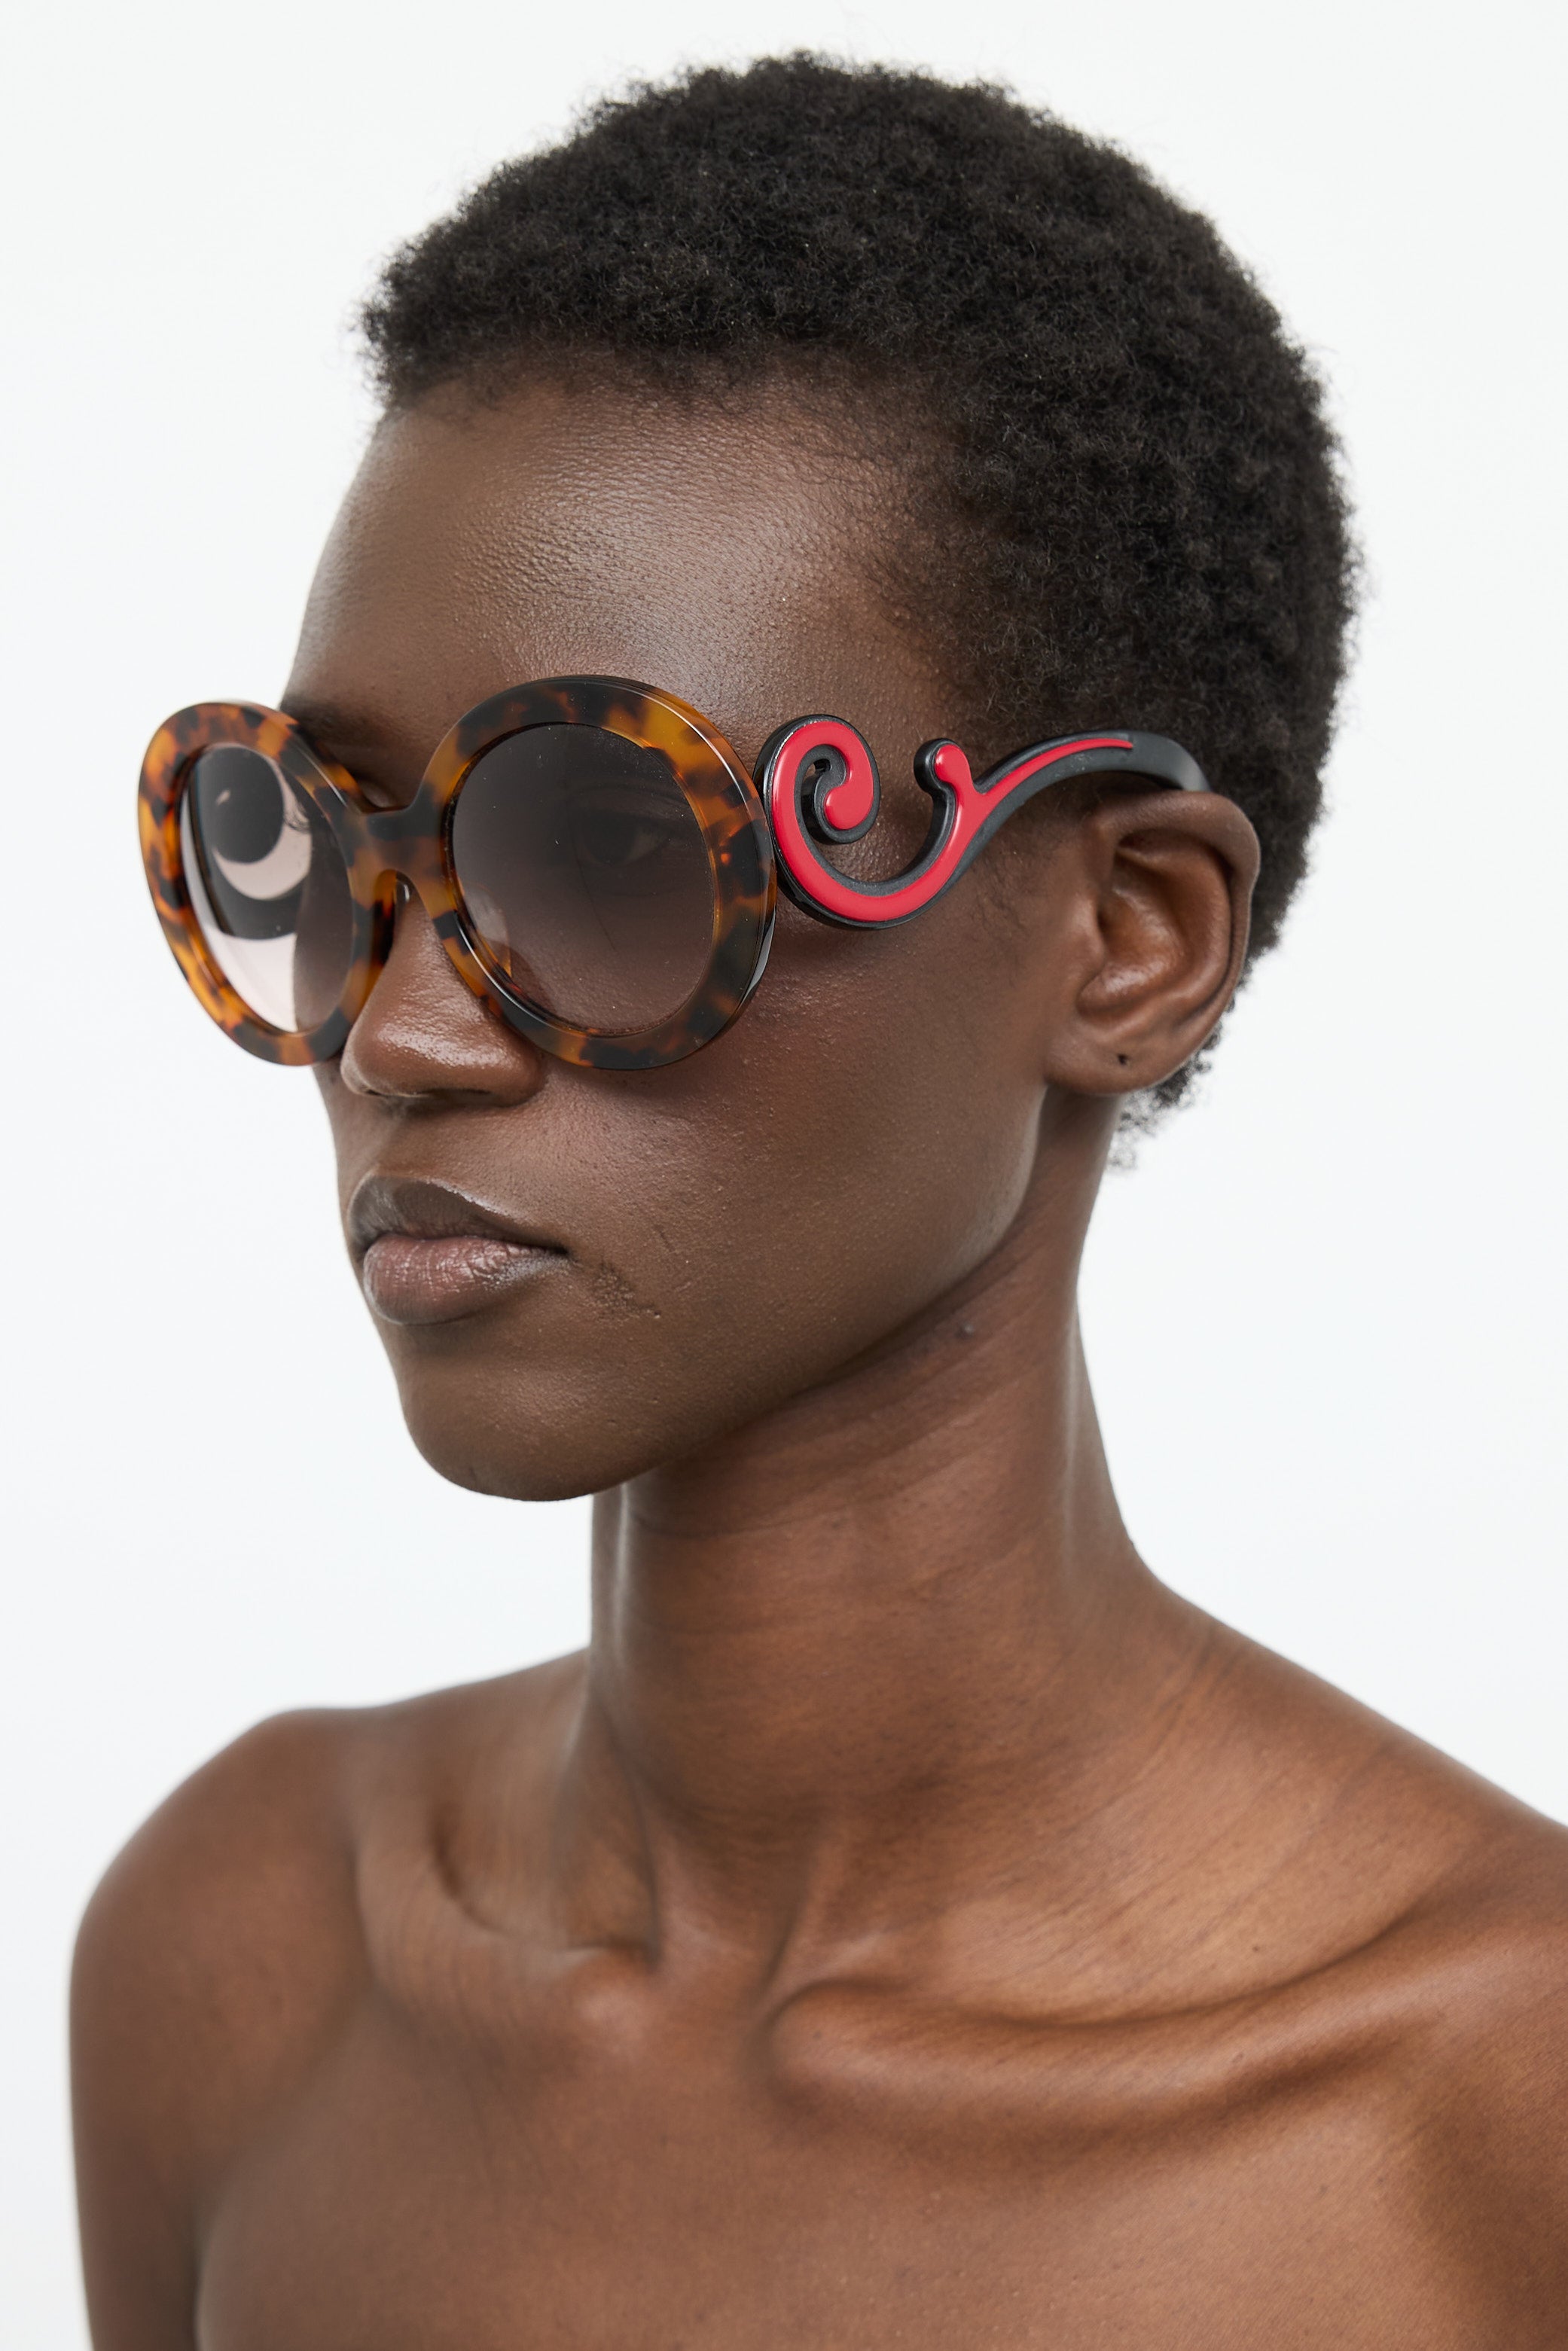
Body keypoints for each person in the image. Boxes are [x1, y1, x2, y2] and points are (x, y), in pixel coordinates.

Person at [75, 56, 1568, 2346]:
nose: (401, 1034)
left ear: (1127, 939)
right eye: (317, 834)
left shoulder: (1489, 2121)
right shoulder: (243, 1960)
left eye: (606, 844)